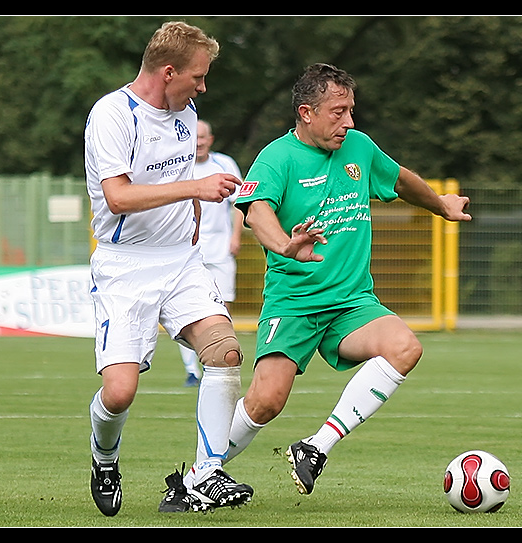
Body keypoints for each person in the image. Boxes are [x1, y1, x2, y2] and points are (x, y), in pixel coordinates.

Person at [220, 63, 472, 495]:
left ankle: (316, 448)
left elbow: (402, 180)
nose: (348, 122)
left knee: (405, 348)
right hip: (295, 302)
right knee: (266, 402)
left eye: (351, 110)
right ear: (306, 112)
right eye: (338, 112)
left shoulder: (358, 147)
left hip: (352, 303)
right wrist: (283, 244)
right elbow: (255, 210)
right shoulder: (277, 157)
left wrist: (441, 206)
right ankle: (200, 474)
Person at [83, 21, 253, 516]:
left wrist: (193, 209)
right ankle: (104, 456)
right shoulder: (112, 115)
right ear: (169, 71)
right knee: (119, 392)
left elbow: (175, 175)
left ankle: (204, 477)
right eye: (197, 77)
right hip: (124, 267)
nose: (202, 88)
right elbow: (117, 197)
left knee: (224, 353)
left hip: (181, 260)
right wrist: (193, 191)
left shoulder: (186, 112)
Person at [178, 120, 244, 387]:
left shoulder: (225, 165)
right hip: (188, 251)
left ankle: (215, 364)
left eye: (202, 137)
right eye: (194, 138)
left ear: (211, 139)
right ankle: (192, 369)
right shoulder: (181, 166)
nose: (198, 142)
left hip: (220, 249)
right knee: (188, 310)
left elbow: (240, 203)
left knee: (222, 308)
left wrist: (235, 236)